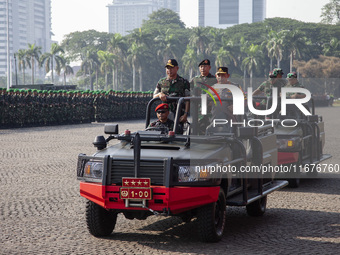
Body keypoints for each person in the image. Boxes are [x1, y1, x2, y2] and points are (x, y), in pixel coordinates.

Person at [153, 59, 190, 123]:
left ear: (177, 68)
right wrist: (160, 94)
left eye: (171, 68)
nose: (169, 70)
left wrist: (185, 114)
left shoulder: (184, 82)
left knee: (177, 131)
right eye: (167, 68)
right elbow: (154, 96)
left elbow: (188, 99)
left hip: (179, 114)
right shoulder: (161, 82)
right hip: (164, 114)